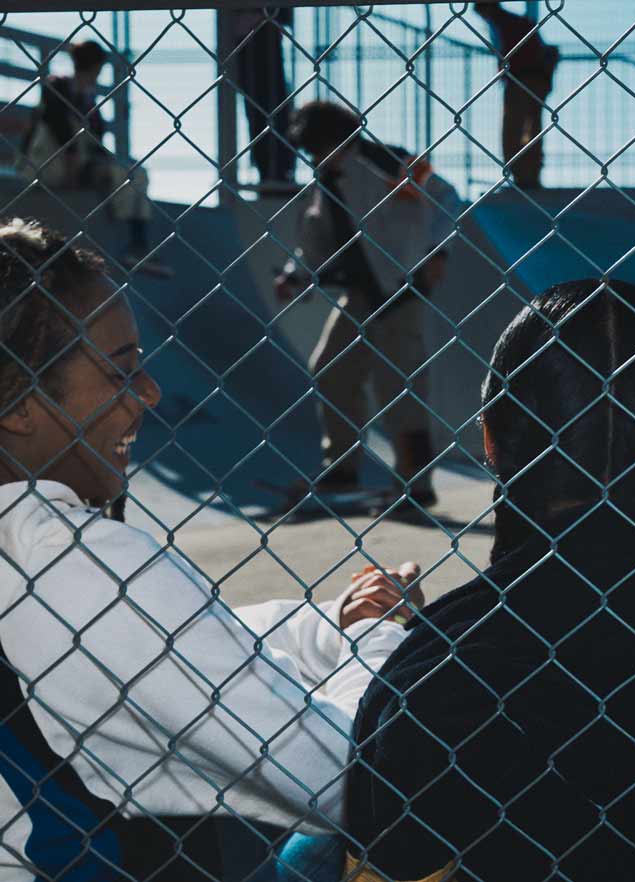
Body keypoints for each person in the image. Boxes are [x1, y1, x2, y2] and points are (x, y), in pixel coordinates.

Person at [0, 217, 420, 881]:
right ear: (18, 400)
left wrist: (322, 626)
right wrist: (376, 638)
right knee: (358, 843)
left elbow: (178, 643)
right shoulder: (86, 568)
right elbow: (353, 777)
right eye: (120, 372)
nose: (150, 393)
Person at [343, 280, 635, 882]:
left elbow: (389, 854)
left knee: (302, 847)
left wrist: (384, 643)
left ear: (492, 439)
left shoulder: (440, 669)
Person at [274, 100, 461, 511]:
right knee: (330, 367)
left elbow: (445, 197)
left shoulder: (389, 162)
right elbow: (314, 239)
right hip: (359, 294)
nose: (315, 158)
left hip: (400, 290)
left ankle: (416, 484)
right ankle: (340, 464)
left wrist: (436, 250)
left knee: (403, 389)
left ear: (337, 140)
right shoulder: (327, 179)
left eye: (317, 148)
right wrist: (295, 275)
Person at [18, 41, 171, 278]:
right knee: (121, 175)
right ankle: (134, 244)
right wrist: (73, 171)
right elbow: (60, 132)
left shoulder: (88, 100)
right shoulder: (57, 87)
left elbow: (96, 144)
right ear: (93, 67)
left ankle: (138, 245)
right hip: (49, 164)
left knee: (136, 173)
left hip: (80, 165)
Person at [474, 2, 560, 188]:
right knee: (531, 127)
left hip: (522, 79)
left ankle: (522, 173)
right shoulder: (512, 22)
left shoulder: (504, 23)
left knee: (515, 127)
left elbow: (513, 52)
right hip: (534, 79)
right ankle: (528, 173)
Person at [220, 7, 297, 189]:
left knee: (267, 109)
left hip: (256, 33)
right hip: (254, 35)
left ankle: (275, 171)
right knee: (267, 109)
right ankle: (274, 172)